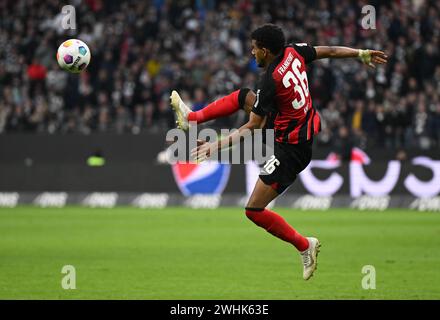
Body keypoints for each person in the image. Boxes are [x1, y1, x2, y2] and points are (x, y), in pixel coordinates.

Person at [170, 24, 387, 280]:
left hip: (291, 150)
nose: (252, 54)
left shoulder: (270, 80)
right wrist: (359, 53)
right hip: (296, 125)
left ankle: (305, 245)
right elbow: (328, 50)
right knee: (243, 97)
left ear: (265, 50)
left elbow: (253, 126)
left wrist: (213, 146)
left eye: (254, 49)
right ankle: (191, 117)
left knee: (253, 210)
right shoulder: (294, 51)